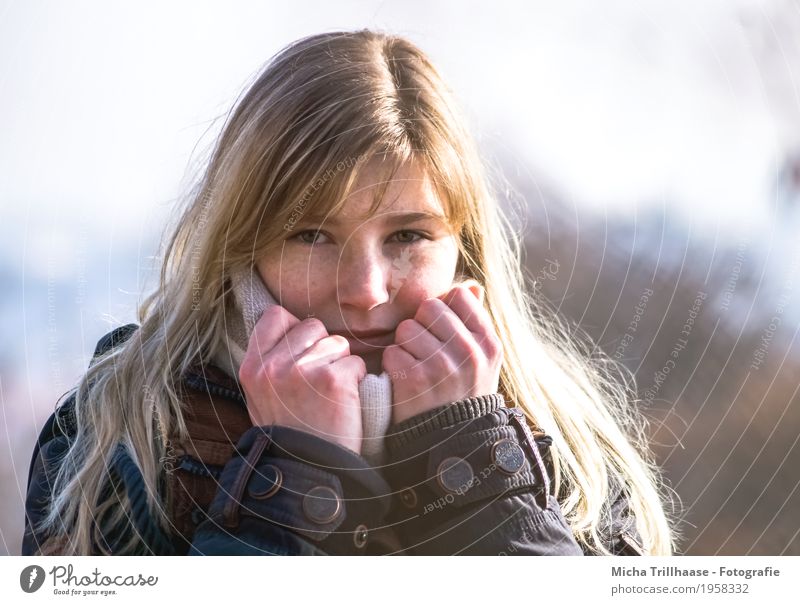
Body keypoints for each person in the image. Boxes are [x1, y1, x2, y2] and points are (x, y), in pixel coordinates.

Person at [22, 29, 676, 556]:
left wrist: (474, 471)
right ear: (242, 244)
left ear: (462, 247)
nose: (365, 291)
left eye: (408, 237)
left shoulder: (569, 442)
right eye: (310, 234)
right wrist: (290, 481)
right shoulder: (125, 425)